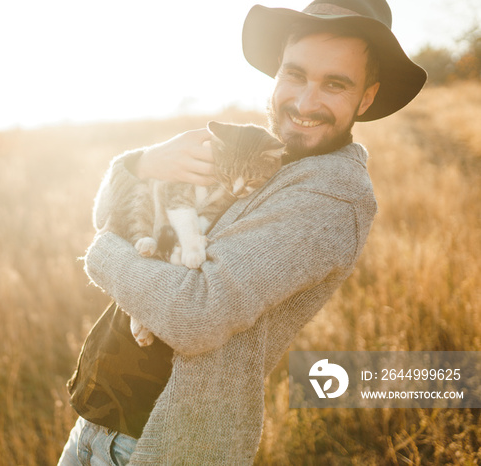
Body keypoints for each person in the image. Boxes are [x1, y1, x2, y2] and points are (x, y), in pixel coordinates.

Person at [59, 0, 427, 464]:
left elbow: (197, 314)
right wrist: (138, 166)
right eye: (295, 75)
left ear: (366, 98)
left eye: (335, 84)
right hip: (94, 427)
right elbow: (113, 213)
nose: (305, 102)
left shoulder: (331, 196)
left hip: (156, 446)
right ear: (276, 74)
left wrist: (101, 255)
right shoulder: (254, 151)